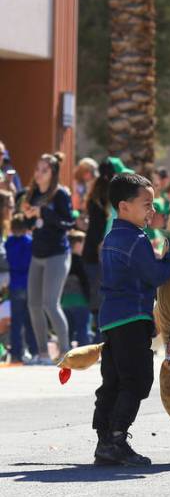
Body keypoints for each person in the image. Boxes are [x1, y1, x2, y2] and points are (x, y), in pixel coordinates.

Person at [93, 173, 170, 466]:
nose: (153, 211)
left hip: (111, 320)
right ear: (124, 207)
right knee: (136, 380)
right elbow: (156, 276)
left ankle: (104, 439)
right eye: (146, 204)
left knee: (113, 380)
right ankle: (118, 438)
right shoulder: (136, 240)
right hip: (132, 319)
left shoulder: (111, 238)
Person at [20, 152, 73, 363]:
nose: (39, 174)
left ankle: (65, 351)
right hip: (38, 254)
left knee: (50, 303)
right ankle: (42, 353)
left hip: (57, 254)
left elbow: (69, 223)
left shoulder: (60, 194)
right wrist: (28, 218)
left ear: (53, 173)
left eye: (44, 170)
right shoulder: (32, 194)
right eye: (37, 169)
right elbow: (30, 227)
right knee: (33, 304)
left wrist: (44, 213)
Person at [83, 157, 130, 342]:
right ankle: (104, 340)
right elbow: (109, 226)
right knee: (106, 298)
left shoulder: (94, 196)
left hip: (90, 254)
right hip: (104, 253)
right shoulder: (112, 198)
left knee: (96, 299)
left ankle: (98, 339)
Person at [4, 214, 38, 362]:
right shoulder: (30, 242)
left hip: (14, 284)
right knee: (30, 320)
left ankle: (16, 353)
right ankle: (34, 350)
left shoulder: (8, 243)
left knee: (16, 322)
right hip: (29, 283)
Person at [61, 230, 92, 348]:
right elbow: (85, 282)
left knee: (68, 330)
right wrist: (89, 298)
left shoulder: (64, 261)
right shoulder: (79, 261)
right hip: (80, 301)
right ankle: (83, 353)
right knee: (82, 329)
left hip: (65, 302)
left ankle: (67, 352)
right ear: (78, 244)